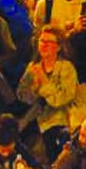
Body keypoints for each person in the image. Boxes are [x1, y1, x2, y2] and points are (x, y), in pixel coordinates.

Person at [17, 25, 79, 161]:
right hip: (36, 118)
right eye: (41, 41)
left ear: (58, 47)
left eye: (48, 42)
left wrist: (44, 83)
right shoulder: (33, 67)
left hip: (60, 120)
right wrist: (34, 90)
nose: (44, 45)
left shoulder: (66, 68)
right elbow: (21, 95)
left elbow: (60, 100)